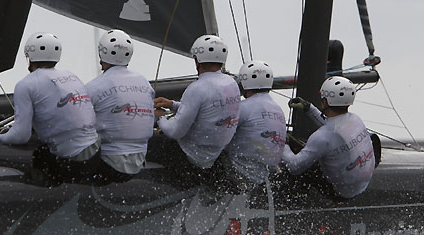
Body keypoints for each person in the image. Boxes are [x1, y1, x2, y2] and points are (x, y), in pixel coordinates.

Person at [0, 32, 100, 186]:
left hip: (72, 162)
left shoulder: (26, 84)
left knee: (35, 157)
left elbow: (20, 136)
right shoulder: (71, 76)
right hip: (95, 154)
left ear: (29, 57)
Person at [153, 35, 240, 185]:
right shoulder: (231, 83)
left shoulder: (197, 88)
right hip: (215, 154)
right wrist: (173, 105)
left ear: (197, 60)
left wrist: (160, 118)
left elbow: (175, 132)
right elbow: (208, 112)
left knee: (147, 143)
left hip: (192, 157)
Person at [283, 76, 375, 200]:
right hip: (361, 184)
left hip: (341, 192)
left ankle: (292, 202)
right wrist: (309, 108)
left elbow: (293, 167)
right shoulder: (355, 119)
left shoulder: (322, 137)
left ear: (325, 102)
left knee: (295, 158)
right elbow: (332, 127)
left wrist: (283, 143)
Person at [85, 29, 155, 185]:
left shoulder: (94, 87)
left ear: (101, 53)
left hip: (108, 166)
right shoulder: (144, 82)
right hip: (139, 162)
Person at [224, 60, 286, 191]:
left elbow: (216, 128)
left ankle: (205, 199)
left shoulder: (243, 108)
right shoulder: (278, 109)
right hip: (265, 178)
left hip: (241, 175)